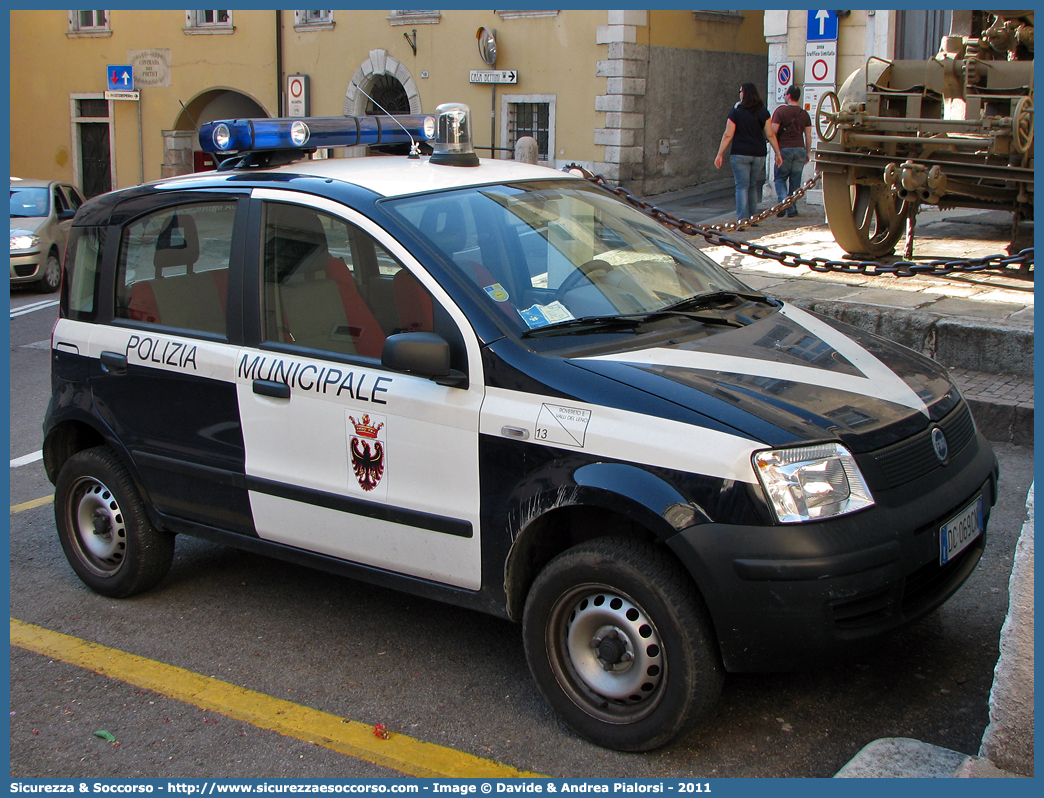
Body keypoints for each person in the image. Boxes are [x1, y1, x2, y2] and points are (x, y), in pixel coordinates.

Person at [714, 83, 782, 225]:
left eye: (740, 91)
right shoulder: (763, 111)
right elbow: (770, 134)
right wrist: (777, 153)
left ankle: (742, 219)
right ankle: (753, 217)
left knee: (741, 186)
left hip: (740, 153)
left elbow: (728, 134)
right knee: (752, 185)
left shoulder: (736, 111)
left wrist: (720, 153)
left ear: (743, 93)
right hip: (758, 154)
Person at [771, 85, 813, 217]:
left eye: (785, 94)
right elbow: (808, 136)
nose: (784, 96)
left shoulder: (781, 112)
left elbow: (773, 132)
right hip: (800, 149)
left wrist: (776, 152)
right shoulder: (804, 113)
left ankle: (783, 202)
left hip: (784, 149)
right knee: (795, 181)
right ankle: (792, 209)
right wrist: (807, 152)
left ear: (789, 95)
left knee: (780, 178)